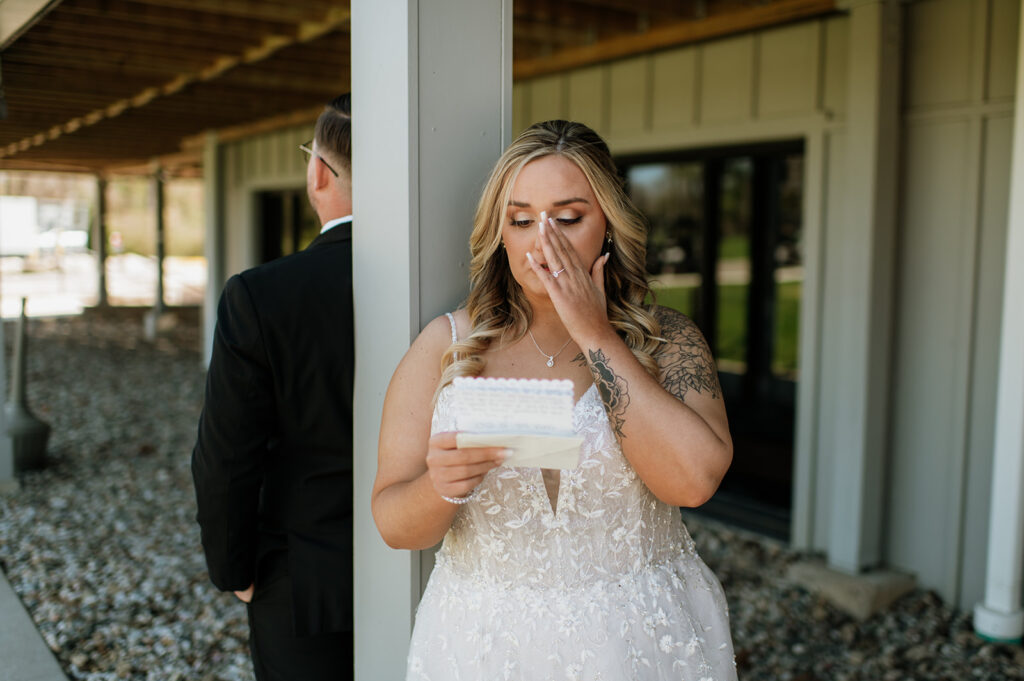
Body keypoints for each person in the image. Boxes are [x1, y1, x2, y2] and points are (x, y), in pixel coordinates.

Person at [373, 119, 738, 680]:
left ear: (609, 227)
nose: (543, 241)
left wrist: (596, 334)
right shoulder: (445, 345)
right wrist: (439, 486)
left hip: (636, 640)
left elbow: (693, 482)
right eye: (520, 220)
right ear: (501, 234)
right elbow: (396, 526)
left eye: (568, 218)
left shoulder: (668, 339)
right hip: (481, 643)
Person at [191, 94, 354, 681]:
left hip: (304, 577)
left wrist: (234, 568)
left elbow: (226, 456)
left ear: (318, 172)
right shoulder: (461, 286)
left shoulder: (261, 296)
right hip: (442, 563)